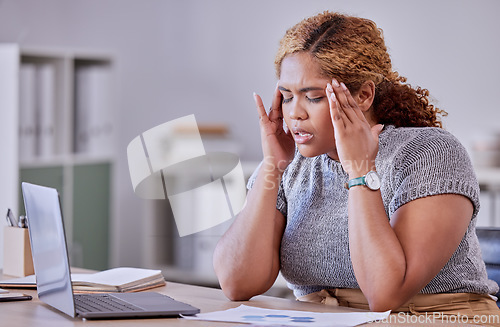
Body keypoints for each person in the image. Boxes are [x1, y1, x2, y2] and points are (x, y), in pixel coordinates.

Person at [213, 11, 500, 323]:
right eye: (286, 96)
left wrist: (360, 170)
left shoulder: (430, 154)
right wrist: (272, 167)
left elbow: (384, 294)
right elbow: (236, 283)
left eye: (313, 98)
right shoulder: (291, 166)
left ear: (363, 95)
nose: (294, 113)